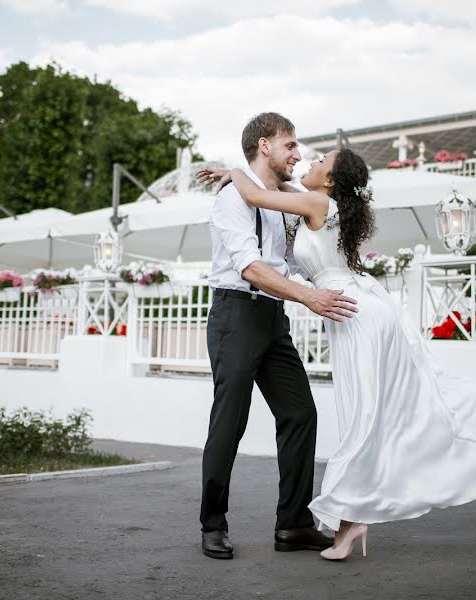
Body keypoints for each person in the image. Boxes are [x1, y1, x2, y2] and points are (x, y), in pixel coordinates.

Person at [200, 147, 476, 561]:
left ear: (332, 181)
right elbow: (271, 190)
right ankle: (343, 522)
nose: (307, 158)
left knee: (366, 416)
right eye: (295, 148)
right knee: (401, 401)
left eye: (320, 161)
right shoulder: (319, 199)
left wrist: (234, 170)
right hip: (345, 308)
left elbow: (257, 194)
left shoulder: (315, 201)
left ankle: (334, 520)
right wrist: (246, 176)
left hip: (353, 315)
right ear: (265, 145)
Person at [200, 113, 359, 560]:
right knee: (229, 422)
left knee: (300, 413)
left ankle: (293, 525)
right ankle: (212, 523)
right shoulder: (234, 197)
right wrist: (310, 297)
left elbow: (283, 261)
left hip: (272, 317)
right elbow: (250, 267)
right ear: (265, 145)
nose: (298, 153)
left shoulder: (276, 199)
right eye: (290, 145)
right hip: (235, 315)